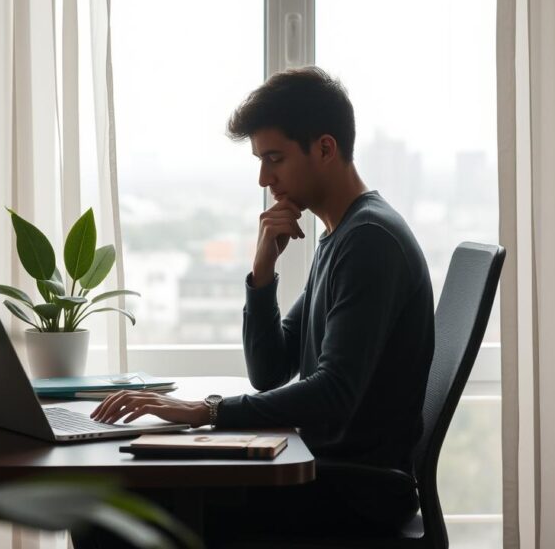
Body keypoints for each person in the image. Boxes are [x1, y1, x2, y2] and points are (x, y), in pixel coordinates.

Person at [86, 67, 435, 543]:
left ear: (325, 149)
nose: (263, 178)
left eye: (275, 158)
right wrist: (262, 270)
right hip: (322, 473)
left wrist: (204, 411)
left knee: (109, 515)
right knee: (117, 503)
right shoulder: (340, 237)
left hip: (353, 493)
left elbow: (333, 394)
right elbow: (269, 369)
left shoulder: (369, 241)